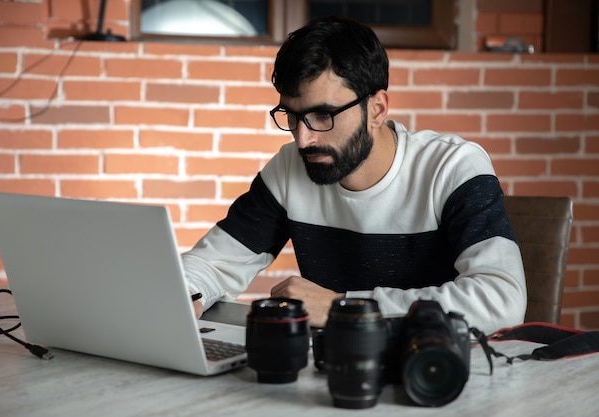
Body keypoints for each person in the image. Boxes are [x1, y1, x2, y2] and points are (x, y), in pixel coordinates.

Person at [183, 16, 526, 334]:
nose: (304, 138)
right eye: (292, 115)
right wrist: (181, 292)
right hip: (333, 372)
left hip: (437, 374)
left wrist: (343, 306)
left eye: (323, 115)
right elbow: (212, 265)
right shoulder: (290, 168)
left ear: (376, 110)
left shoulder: (452, 168)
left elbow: (501, 300)